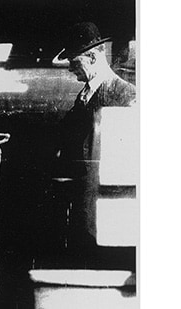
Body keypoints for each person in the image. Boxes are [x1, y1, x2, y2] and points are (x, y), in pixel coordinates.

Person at [53, 22, 136, 252]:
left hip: (106, 210)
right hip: (81, 204)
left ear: (92, 57)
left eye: (74, 61)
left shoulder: (126, 96)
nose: (70, 69)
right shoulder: (84, 95)